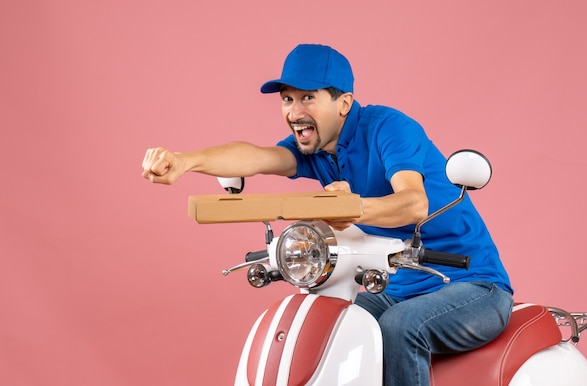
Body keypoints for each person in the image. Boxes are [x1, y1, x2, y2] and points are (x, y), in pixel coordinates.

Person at [142, 43, 513, 385]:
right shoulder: (316, 149)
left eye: (308, 97)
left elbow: (413, 202)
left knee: (401, 327)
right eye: (287, 99)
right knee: (333, 320)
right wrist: (183, 161)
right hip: (397, 288)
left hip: (471, 284)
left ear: (344, 103)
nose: (294, 111)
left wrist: (352, 208)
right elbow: (254, 157)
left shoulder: (389, 128)